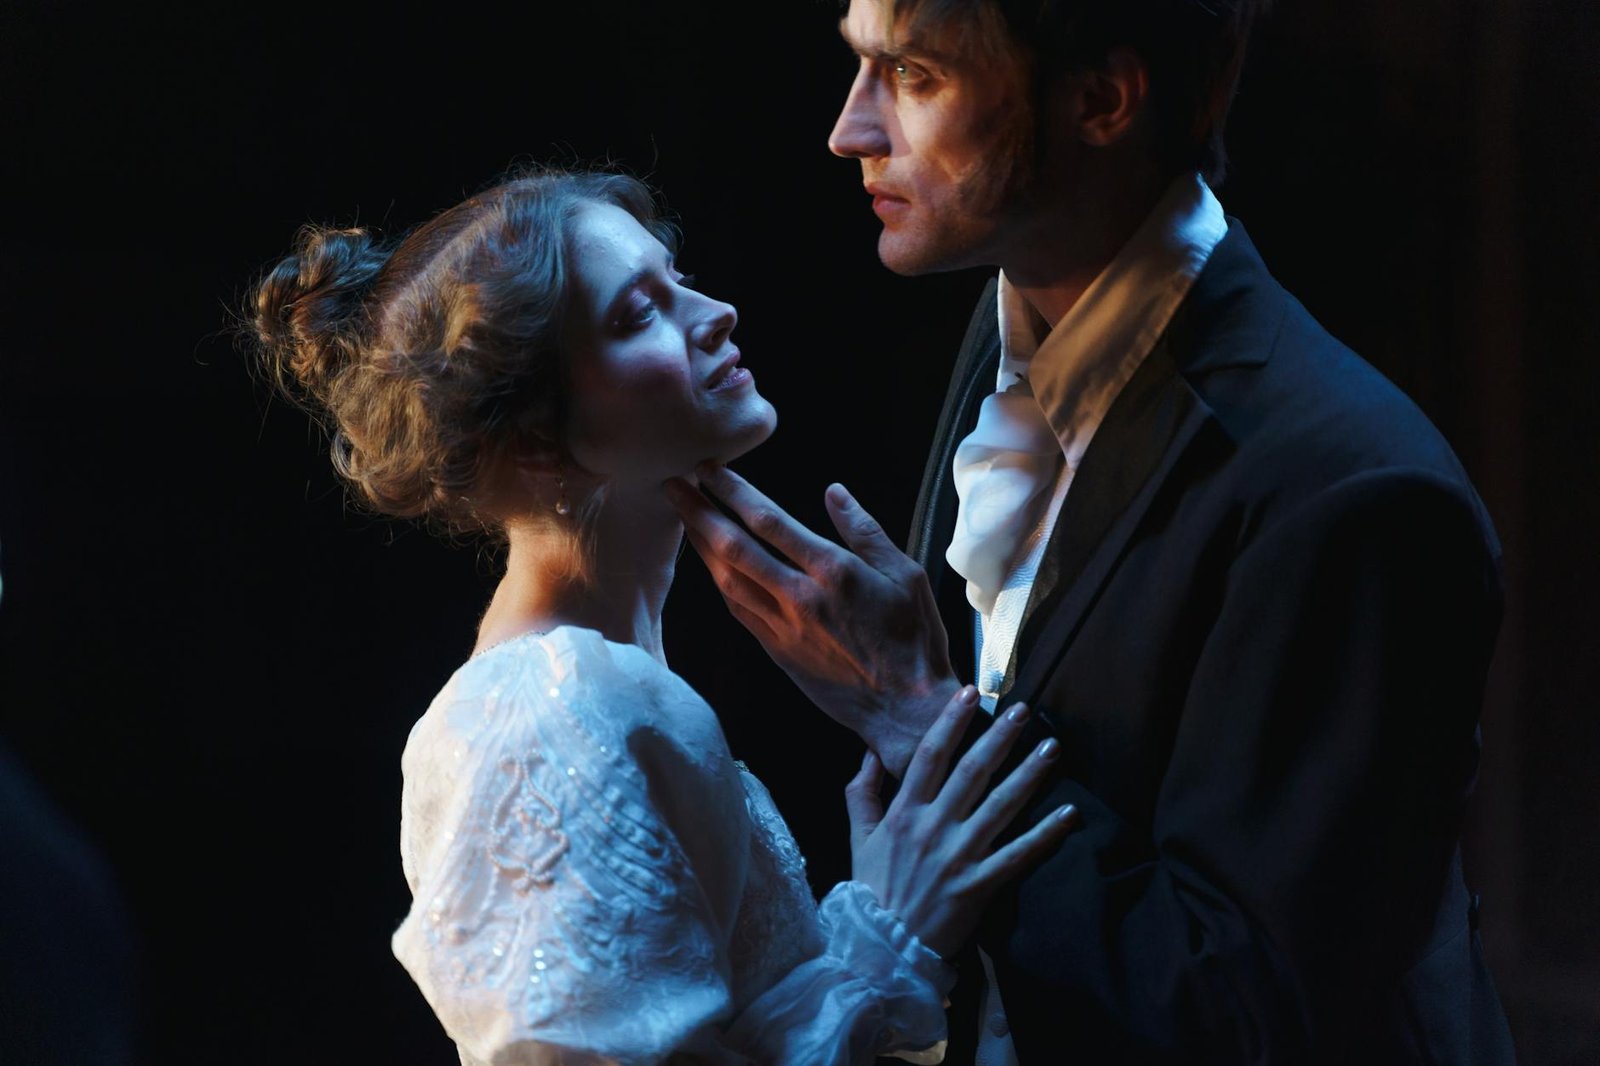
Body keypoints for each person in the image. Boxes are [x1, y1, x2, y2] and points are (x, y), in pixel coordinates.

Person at [666, 1, 1517, 1062]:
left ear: (1102, 101)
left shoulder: (1356, 491)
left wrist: (921, 713)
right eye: (860, 64)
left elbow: (1246, 1015)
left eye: (915, 75)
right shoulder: (1008, 321)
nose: (851, 130)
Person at [246, 169, 1081, 1065]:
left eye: (678, 278)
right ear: (533, 440)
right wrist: (888, 940)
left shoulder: (601, 680)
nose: (716, 312)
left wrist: (865, 921)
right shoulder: (545, 714)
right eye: (640, 312)